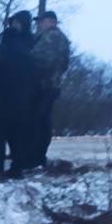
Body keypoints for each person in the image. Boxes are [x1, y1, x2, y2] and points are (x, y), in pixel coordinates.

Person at [0, 25, 41, 178]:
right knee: (17, 137)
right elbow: (35, 83)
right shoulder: (29, 58)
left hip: (0, 105)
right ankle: (16, 167)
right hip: (22, 105)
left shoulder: (1, 57)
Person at [31, 10, 71, 167]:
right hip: (49, 84)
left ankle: (37, 156)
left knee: (41, 120)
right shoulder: (57, 37)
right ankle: (38, 155)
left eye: (42, 21)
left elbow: (38, 58)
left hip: (45, 85)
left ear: (51, 21)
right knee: (42, 119)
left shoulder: (52, 37)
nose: (39, 24)